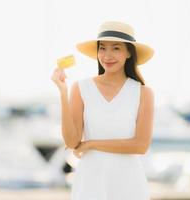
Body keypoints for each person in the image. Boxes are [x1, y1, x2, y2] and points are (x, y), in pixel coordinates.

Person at [51, 21, 154, 200]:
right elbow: (73, 141)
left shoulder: (143, 92)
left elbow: (141, 145)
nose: (107, 55)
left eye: (116, 48)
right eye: (102, 48)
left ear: (129, 52)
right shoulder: (80, 87)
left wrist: (92, 144)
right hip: (91, 180)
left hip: (129, 183)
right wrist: (63, 92)